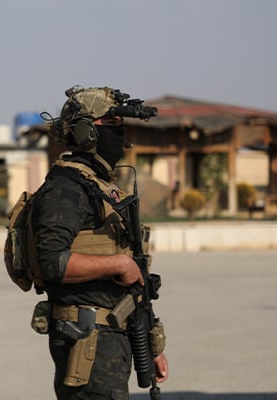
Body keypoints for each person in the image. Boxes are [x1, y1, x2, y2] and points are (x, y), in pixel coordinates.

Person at [30, 86, 169, 399]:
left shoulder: (103, 186)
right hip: (86, 338)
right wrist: (119, 265)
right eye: (113, 125)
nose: (121, 134)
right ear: (86, 132)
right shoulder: (65, 188)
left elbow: (135, 280)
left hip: (111, 336)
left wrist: (150, 345)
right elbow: (53, 262)